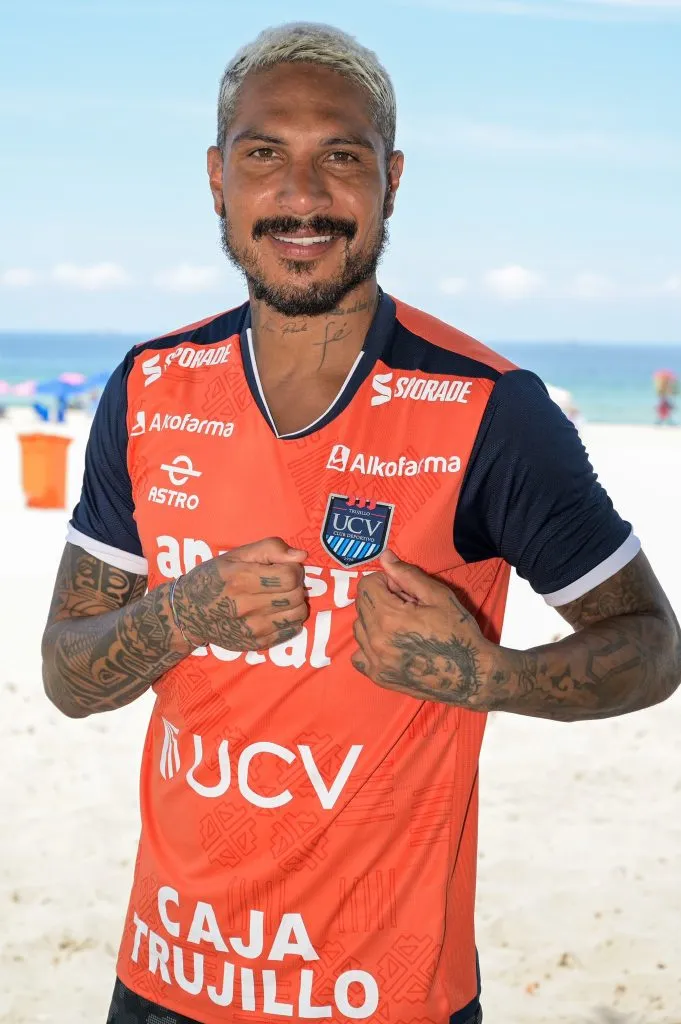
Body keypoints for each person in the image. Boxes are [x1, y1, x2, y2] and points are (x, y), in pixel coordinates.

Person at [41, 23, 681, 1024]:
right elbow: (66, 673)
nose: (303, 196)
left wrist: (487, 675)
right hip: (165, 981)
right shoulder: (150, 386)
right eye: (266, 156)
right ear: (219, 178)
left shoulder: (488, 407)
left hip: (386, 997)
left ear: (392, 177)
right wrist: (179, 616)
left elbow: (651, 646)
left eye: (341, 156)